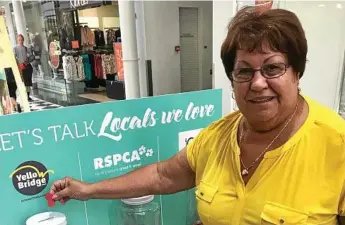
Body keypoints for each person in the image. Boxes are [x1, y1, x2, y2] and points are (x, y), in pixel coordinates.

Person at [50, 7, 345, 225]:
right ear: (232, 79)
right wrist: (88, 189)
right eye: (244, 71)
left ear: (297, 72)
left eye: (272, 68)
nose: (257, 83)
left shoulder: (336, 144)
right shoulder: (217, 137)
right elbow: (162, 175)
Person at [14, 34, 34, 101]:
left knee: (28, 82)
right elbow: (14, 57)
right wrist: (18, 64)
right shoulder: (15, 48)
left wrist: (28, 59)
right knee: (22, 82)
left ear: (23, 40)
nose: (21, 41)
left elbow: (32, 56)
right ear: (17, 40)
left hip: (27, 67)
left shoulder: (26, 48)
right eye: (19, 40)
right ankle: (19, 96)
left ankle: (28, 96)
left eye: (22, 40)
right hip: (20, 67)